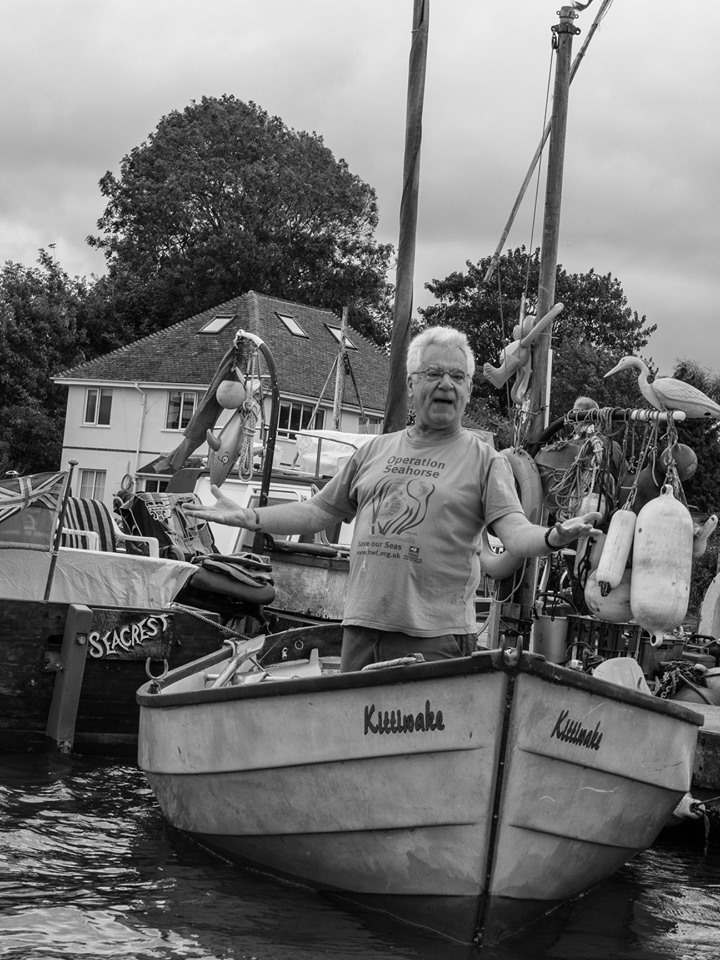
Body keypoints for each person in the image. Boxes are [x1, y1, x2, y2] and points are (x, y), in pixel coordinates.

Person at [183, 326, 601, 672]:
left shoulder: (485, 461)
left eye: (458, 377)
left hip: (434, 638)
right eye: (434, 373)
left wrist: (553, 536)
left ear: (470, 390)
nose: (446, 384)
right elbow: (318, 510)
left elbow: (514, 533)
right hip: (362, 628)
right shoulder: (372, 452)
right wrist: (251, 516)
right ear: (411, 382)